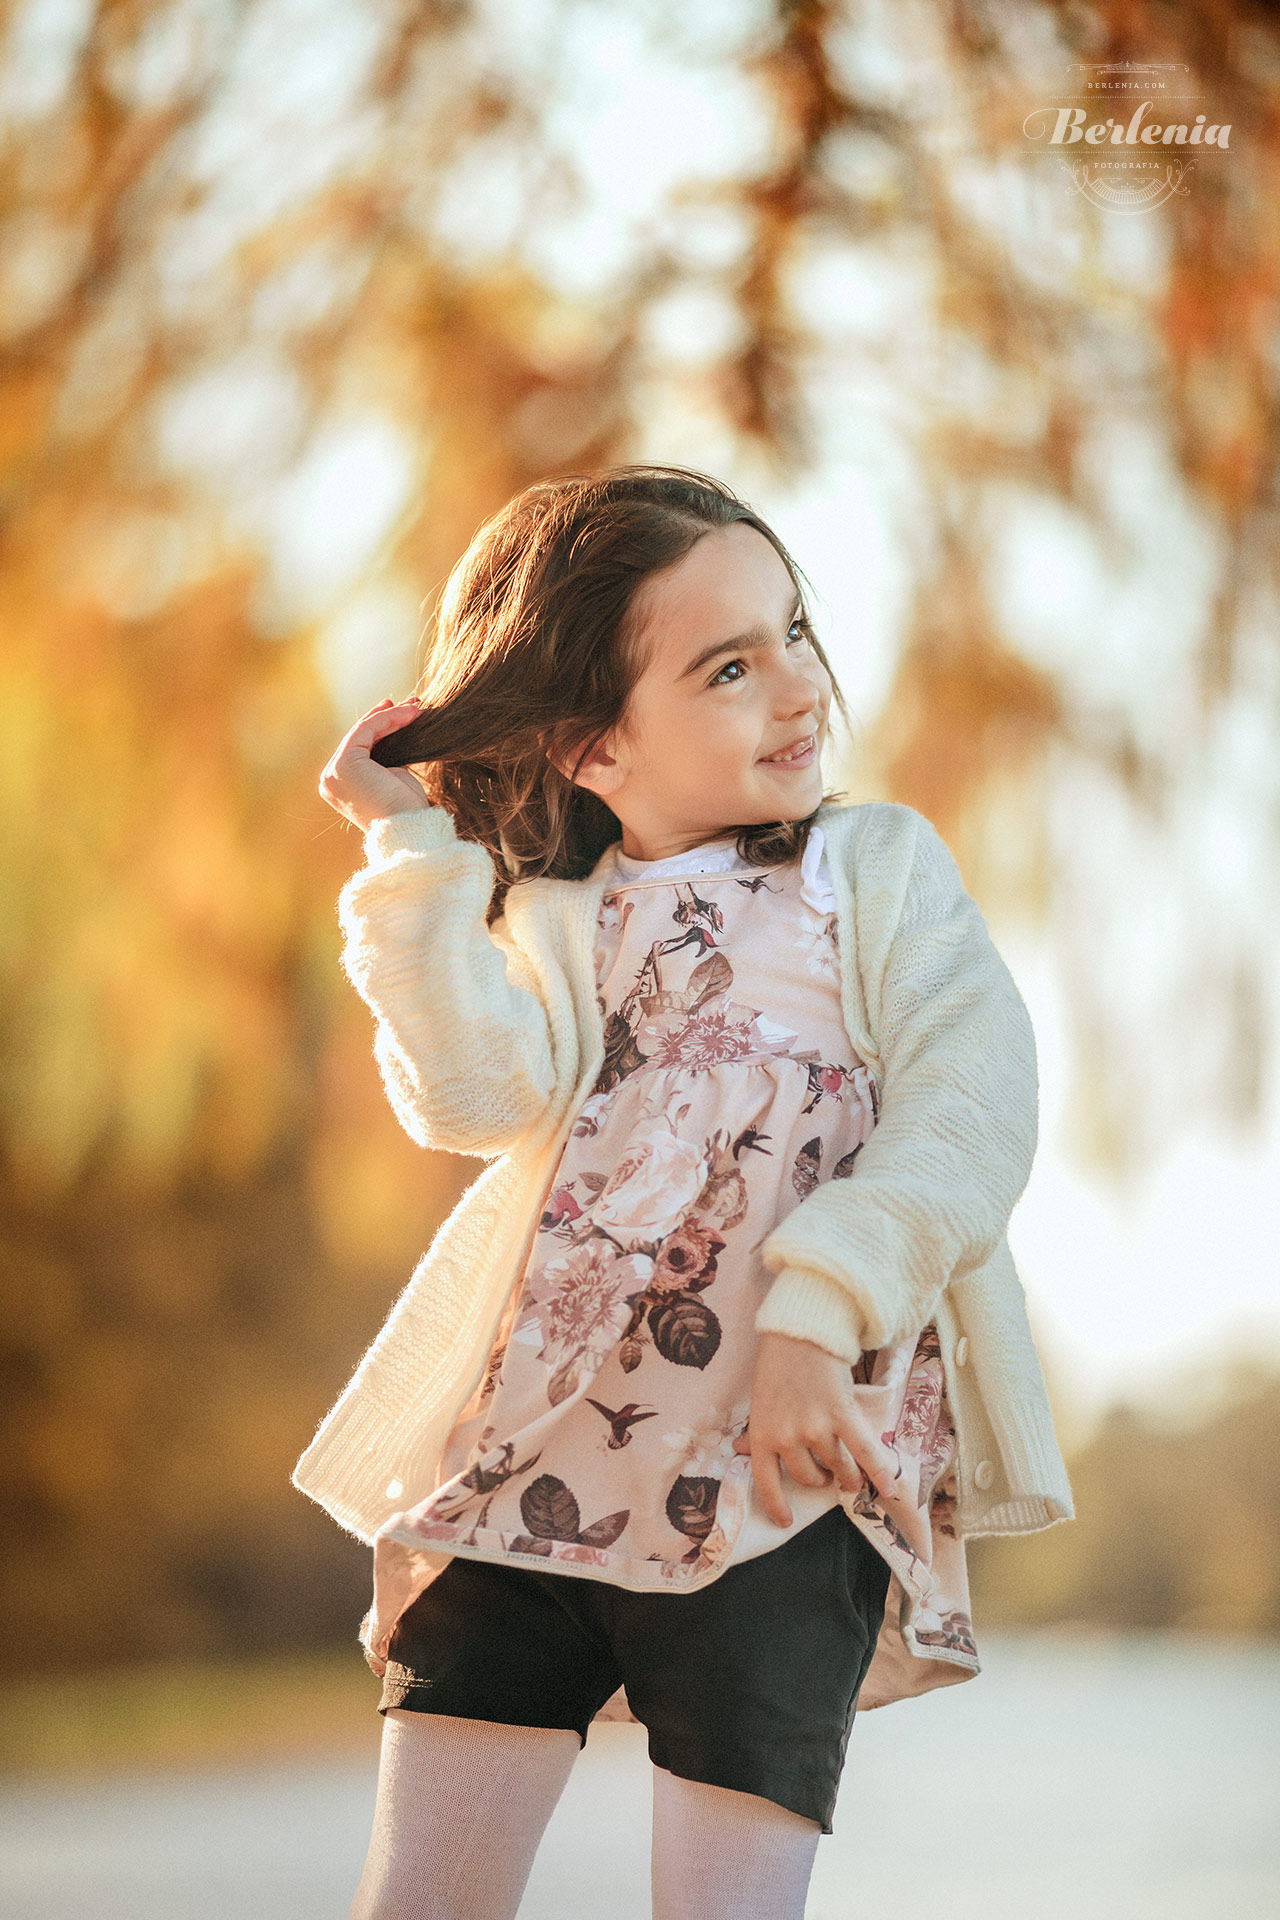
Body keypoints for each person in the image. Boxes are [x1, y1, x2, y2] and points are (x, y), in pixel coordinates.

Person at [295, 464, 1076, 1920]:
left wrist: (816, 1314)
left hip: (782, 1484)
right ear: (593, 745)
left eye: (795, 633)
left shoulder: (877, 874)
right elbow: (474, 1099)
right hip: (531, 1459)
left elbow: (974, 1115)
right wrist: (405, 845)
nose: (797, 689)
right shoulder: (559, 920)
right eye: (729, 664)